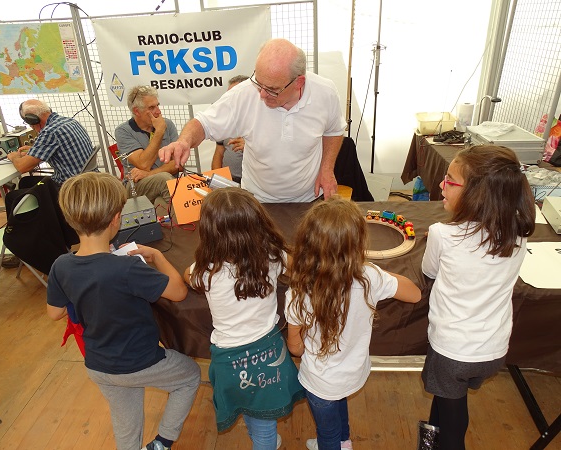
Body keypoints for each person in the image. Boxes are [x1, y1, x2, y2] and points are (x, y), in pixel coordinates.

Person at [46, 172, 201, 450]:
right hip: (140, 362)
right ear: (116, 219)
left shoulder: (61, 265)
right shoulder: (127, 268)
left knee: (126, 420)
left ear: (70, 219)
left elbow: (54, 313)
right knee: (190, 377)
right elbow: (179, 292)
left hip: (98, 366)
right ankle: (163, 442)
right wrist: (157, 256)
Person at [419, 145, 535, 450]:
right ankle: (431, 441)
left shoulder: (442, 234)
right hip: (493, 351)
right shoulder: (518, 235)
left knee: (453, 423)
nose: (441, 185)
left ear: (478, 194)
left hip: (452, 352)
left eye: (450, 180)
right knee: (446, 400)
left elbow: (429, 271)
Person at [284, 197, 422, 450]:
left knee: (326, 433)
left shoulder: (298, 292)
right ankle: (344, 442)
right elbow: (414, 294)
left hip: (320, 381)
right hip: (353, 373)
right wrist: (373, 271)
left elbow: (296, 348)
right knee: (340, 406)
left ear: (307, 243)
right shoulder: (370, 277)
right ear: (358, 243)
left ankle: (334, 444)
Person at [184, 187, 305, 450]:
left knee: (248, 407)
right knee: (264, 422)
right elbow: (297, 268)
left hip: (228, 362)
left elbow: (187, 276)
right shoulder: (272, 256)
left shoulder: (206, 271)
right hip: (268, 356)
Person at [159, 38, 346, 203]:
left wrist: (327, 169)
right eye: (258, 83)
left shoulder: (325, 92)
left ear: (299, 82)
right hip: (259, 199)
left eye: (272, 89)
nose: (262, 94)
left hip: (309, 197)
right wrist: (184, 141)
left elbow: (334, 130)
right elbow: (203, 123)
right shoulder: (244, 94)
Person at [115, 85, 179, 214]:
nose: (158, 111)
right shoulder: (123, 131)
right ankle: (183, 220)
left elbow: (178, 164)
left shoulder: (168, 124)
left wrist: (149, 174)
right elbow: (144, 164)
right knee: (164, 179)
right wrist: (159, 132)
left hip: (167, 180)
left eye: (157, 105)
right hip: (137, 185)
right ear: (137, 111)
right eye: (151, 108)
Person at [9, 99, 95, 187]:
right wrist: (34, 150)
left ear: (32, 120)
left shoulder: (50, 132)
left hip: (70, 186)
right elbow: (62, 149)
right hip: (91, 179)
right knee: (25, 181)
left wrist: (14, 156)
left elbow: (22, 167)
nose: (31, 126)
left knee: (14, 193)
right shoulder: (70, 121)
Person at [210, 75, 248, 183]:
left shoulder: (261, 120)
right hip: (228, 180)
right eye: (228, 94)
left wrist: (250, 147)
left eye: (233, 94)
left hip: (252, 182)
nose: (229, 99)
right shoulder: (224, 121)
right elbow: (219, 152)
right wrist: (217, 180)